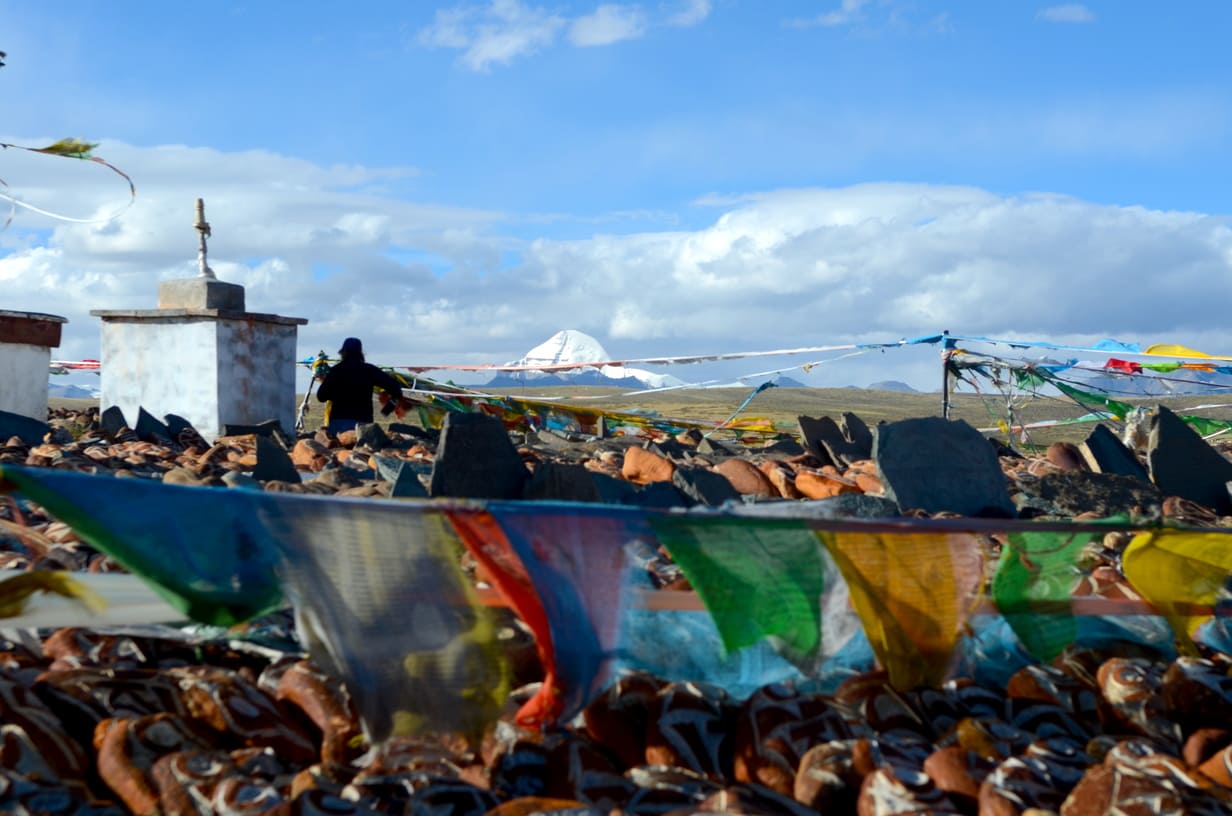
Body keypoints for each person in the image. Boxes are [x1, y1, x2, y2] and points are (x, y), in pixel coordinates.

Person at [315, 337, 404, 435]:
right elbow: (396, 388)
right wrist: (387, 409)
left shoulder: (336, 371)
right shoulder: (369, 370)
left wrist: (335, 392)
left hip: (338, 425)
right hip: (363, 426)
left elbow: (321, 396)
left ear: (343, 353)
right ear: (360, 353)